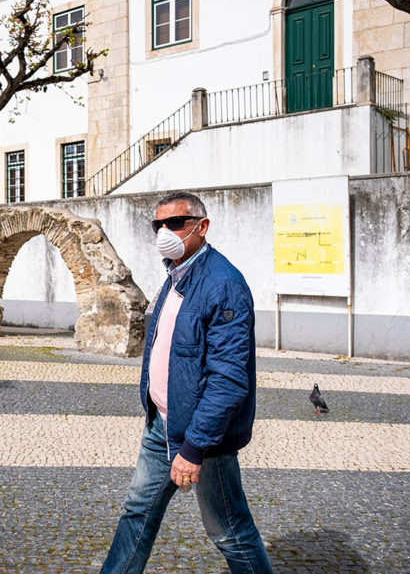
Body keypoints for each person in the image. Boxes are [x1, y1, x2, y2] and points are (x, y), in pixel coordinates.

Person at [100, 191, 274, 574]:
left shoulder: (222, 284)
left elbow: (228, 380)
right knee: (137, 513)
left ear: (201, 226)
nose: (165, 231)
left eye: (175, 223)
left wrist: (194, 448)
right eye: (157, 225)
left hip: (203, 435)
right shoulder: (176, 272)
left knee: (229, 531)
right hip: (163, 422)